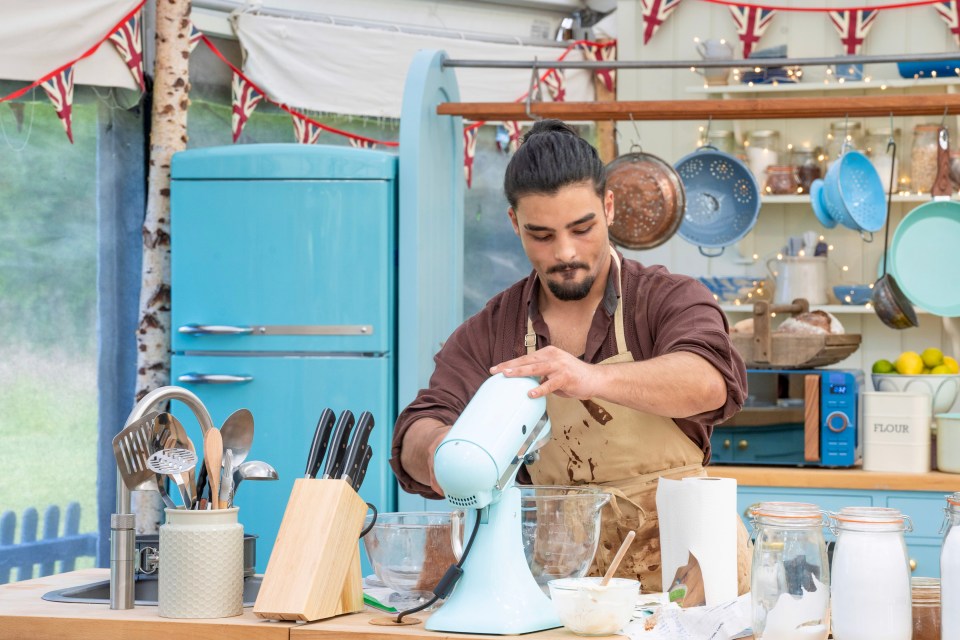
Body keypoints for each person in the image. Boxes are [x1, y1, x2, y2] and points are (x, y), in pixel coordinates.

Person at [389, 119, 751, 594]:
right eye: (541, 235)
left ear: (609, 206)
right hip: (562, 580)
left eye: (583, 229)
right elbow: (419, 424)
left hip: (688, 572)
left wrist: (589, 378)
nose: (565, 252)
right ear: (514, 223)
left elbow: (708, 380)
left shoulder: (666, 298)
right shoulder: (494, 329)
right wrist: (442, 453)